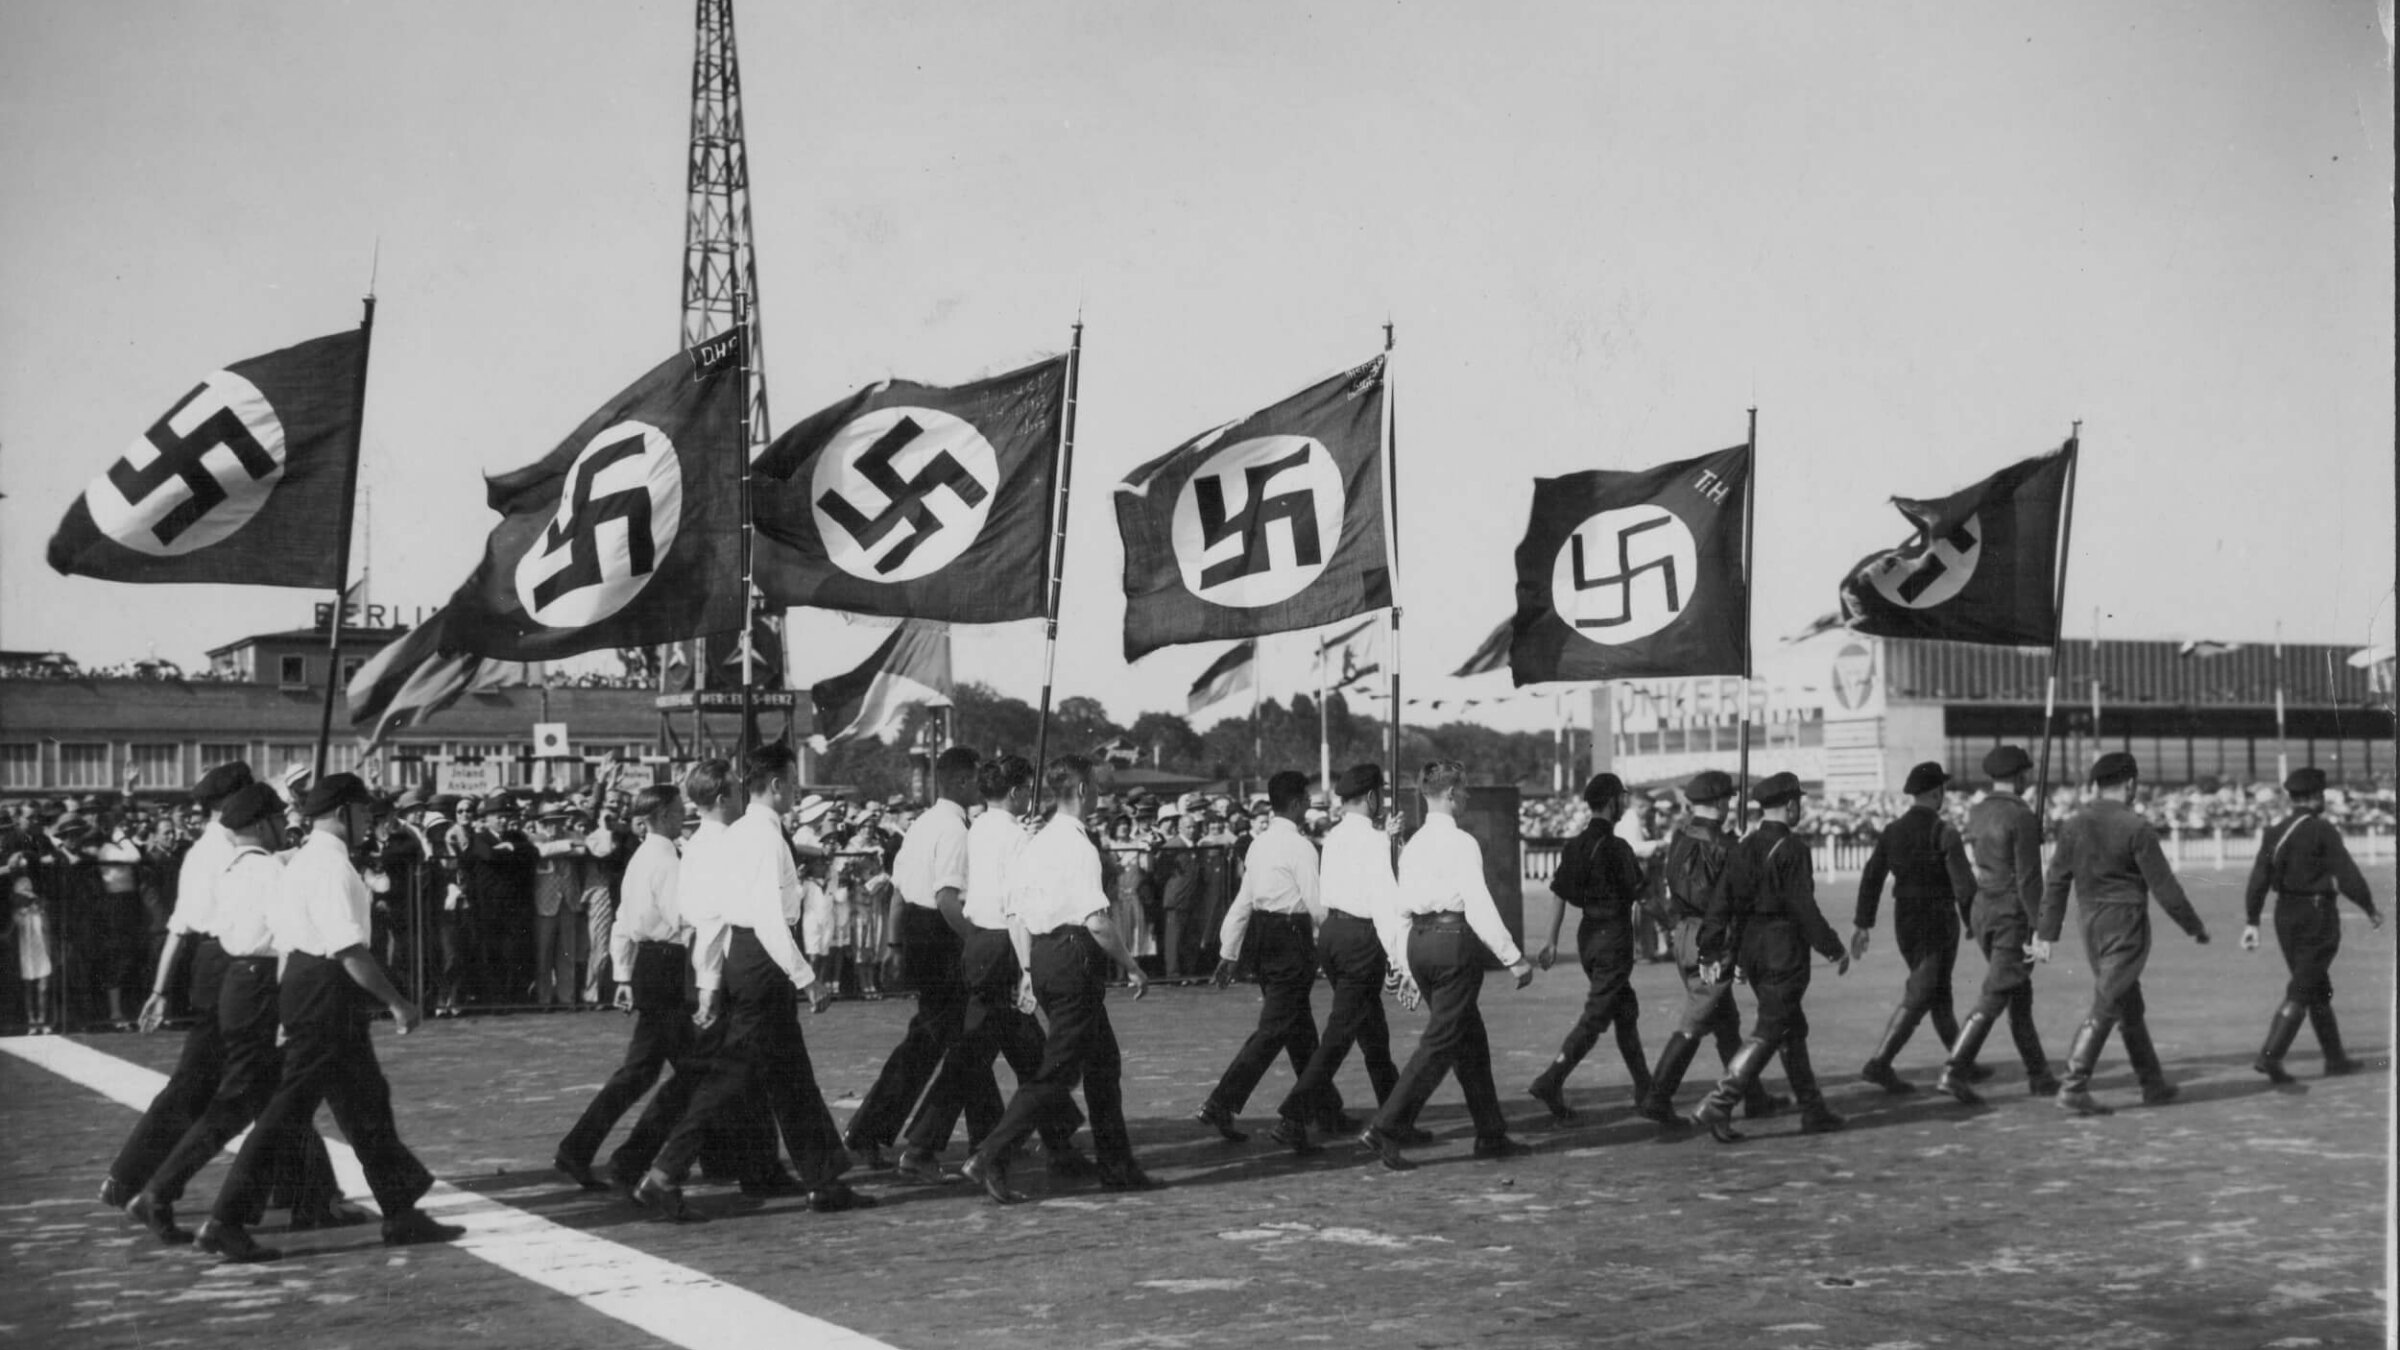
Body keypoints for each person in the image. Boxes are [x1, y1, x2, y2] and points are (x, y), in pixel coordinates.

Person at [193, 774, 462, 1262]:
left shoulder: (302, 861)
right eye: (365, 813)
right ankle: (225, 1220)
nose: (370, 823)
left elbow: (291, 939)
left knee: (365, 1102)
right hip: (325, 987)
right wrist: (398, 1002)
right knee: (289, 1109)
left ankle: (401, 1212)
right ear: (344, 813)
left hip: (306, 983)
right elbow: (347, 947)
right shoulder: (329, 867)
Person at [634, 745, 868, 1219]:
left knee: (790, 1074)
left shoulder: (738, 834)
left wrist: (713, 977)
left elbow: (720, 912)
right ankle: (663, 1173)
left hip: (747, 957)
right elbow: (765, 915)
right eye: (793, 783)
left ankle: (824, 1178)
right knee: (732, 1074)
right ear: (777, 785)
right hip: (763, 959)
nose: (797, 791)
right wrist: (807, 978)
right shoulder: (762, 838)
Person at [960, 756, 1153, 1205]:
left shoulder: (1035, 844)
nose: (1100, 797)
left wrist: (1029, 970)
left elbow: (1016, 916)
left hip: (1045, 957)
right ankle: (992, 1153)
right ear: (1083, 791)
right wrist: (1133, 965)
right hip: (1072, 956)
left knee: (1102, 1063)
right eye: (1097, 790)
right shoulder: (1077, 846)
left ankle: (1117, 1165)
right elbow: (1098, 921)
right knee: (1058, 1072)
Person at [896, 754, 1090, 1181]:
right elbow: (1020, 900)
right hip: (1005, 944)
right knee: (978, 1054)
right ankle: (924, 1145)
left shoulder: (979, 825)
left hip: (980, 944)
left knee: (1026, 1050)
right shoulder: (1012, 836)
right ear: (1019, 792)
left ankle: (1059, 1141)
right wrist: (1025, 969)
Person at [1355, 761, 1537, 1171]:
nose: (1468, 797)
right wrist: (1513, 957)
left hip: (1420, 943)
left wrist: (1404, 965)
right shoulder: (1461, 842)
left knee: (1468, 1040)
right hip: (1453, 943)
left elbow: (1400, 909)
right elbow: (1477, 901)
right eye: (1466, 790)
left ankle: (1490, 1132)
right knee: (1440, 1043)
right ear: (1451, 793)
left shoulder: (1413, 844)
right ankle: (1386, 1125)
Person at [2034, 751, 2211, 1116]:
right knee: (2109, 1001)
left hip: (2090, 921)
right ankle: (2073, 1085)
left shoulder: (2073, 824)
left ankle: (2152, 1083)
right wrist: (2193, 926)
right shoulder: (2136, 827)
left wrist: (2046, 933)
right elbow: (2165, 887)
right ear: (2130, 783)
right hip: (2125, 919)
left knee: (2126, 1001)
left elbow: (2055, 883)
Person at [553, 784, 707, 1191]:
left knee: (643, 1072)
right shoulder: (669, 860)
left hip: (646, 963)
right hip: (667, 964)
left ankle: (589, 1150)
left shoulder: (642, 858)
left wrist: (623, 975)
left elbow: (623, 921)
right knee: (690, 1072)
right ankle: (626, 1157)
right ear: (662, 817)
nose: (682, 817)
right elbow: (681, 915)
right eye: (677, 812)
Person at [1692, 772, 1852, 1144]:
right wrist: (1832, 947)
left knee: (1790, 1029)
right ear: (1792, 805)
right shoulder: (1793, 850)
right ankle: (1719, 1102)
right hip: (1784, 949)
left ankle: (1813, 1110)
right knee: (1770, 1029)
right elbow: (1803, 906)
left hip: (1753, 948)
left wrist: (1711, 948)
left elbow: (1721, 902)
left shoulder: (1743, 847)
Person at [1265, 764, 1415, 1154]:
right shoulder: (1374, 841)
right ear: (1371, 798)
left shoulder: (1334, 836)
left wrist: (1387, 838)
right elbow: (1384, 903)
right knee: (1341, 1033)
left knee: (1372, 1035)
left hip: (1332, 934)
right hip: (1360, 939)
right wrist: (1400, 960)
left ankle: (1395, 1115)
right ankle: (1294, 1116)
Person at [846, 747, 982, 1169]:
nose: (980, 785)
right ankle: (888, 1133)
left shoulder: (921, 825)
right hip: (944, 935)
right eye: (976, 778)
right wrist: (976, 942)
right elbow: (945, 899)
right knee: (940, 1042)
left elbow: (900, 892)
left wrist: (895, 945)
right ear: (960, 782)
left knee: (954, 1040)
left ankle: (984, 1134)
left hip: (919, 933)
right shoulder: (955, 831)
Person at [1637, 770, 1784, 1128]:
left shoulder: (1680, 837)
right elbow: (1735, 894)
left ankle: (1753, 1096)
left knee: (1725, 1022)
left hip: (1685, 932)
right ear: (1721, 802)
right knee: (1698, 1017)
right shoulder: (1725, 846)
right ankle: (1658, 1097)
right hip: (1713, 938)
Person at [1195, 770, 1336, 1143]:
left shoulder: (1258, 844)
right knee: (1276, 1028)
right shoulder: (1301, 847)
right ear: (1295, 803)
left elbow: (1244, 899)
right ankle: (1221, 1101)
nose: (1308, 804)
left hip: (1263, 937)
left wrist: (1229, 951)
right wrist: (1333, 946)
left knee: (1299, 1029)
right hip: (1291, 937)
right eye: (1305, 797)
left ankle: (1326, 1108)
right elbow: (1317, 904)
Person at [1934, 745, 2058, 1102]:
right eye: (2026, 775)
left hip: (1984, 909)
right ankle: (1954, 1071)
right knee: (1996, 992)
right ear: (2019, 776)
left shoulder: (1977, 811)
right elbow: (2030, 879)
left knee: (2018, 992)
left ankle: (2040, 1075)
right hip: (2010, 914)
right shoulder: (2021, 817)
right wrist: (2042, 929)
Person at [2243, 765, 2382, 1082]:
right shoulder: (2322, 830)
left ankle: (2335, 1060)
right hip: (2317, 916)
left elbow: (2257, 881)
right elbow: (2347, 875)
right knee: (2305, 985)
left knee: (2316, 986)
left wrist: (2252, 920)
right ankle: (2270, 1057)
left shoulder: (2274, 832)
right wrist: (2369, 907)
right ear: (2315, 796)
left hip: (2284, 916)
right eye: (2322, 794)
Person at [1527, 772, 1651, 1125]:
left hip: (1588, 937)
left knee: (1624, 1010)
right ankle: (1552, 1079)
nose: (1625, 804)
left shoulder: (1575, 845)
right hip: (1614, 937)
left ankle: (1646, 1087)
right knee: (1597, 1016)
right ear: (1612, 801)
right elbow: (1641, 893)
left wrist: (1550, 941)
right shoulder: (1617, 848)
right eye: (1622, 798)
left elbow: (1560, 894)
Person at [1849, 761, 1978, 1095]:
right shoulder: (1944, 831)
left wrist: (1863, 924)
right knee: (1925, 992)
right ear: (1937, 793)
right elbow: (1963, 887)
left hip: (1905, 919)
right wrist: (1971, 921)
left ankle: (1962, 1062)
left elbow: (1872, 876)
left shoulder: (1893, 831)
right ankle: (1879, 1063)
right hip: (1937, 920)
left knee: (1939, 994)